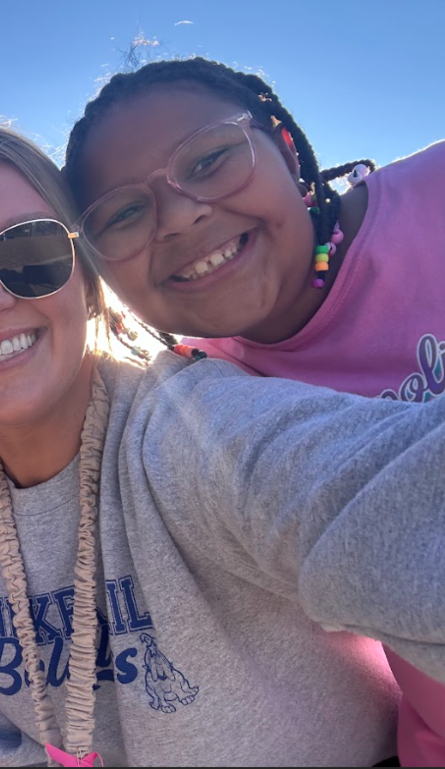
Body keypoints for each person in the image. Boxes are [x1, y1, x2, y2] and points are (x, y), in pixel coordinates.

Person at [0, 119, 445, 767]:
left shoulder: (192, 428)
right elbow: (5, 743)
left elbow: (379, 495)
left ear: (89, 281)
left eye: (29, 255)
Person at [63, 57, 445, 765]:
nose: (180, 215)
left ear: (288, 148)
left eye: (208, 160)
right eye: (123, 213)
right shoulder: (206, 405)